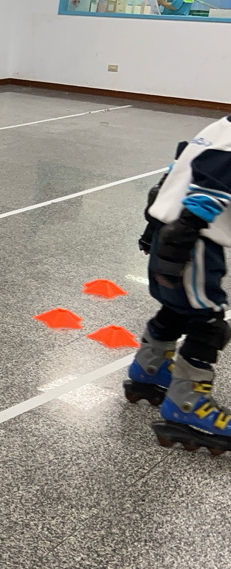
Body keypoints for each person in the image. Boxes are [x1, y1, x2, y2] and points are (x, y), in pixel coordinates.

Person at [125, 115, 231, 455]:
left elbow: (173, 174)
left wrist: (153, 229)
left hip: (169, 229)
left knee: (177, 306)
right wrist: (181, 238)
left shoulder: (220, 127)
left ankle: (150, 368)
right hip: (194, 239)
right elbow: (209, 189)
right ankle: (187, 405)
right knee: (208, 319)